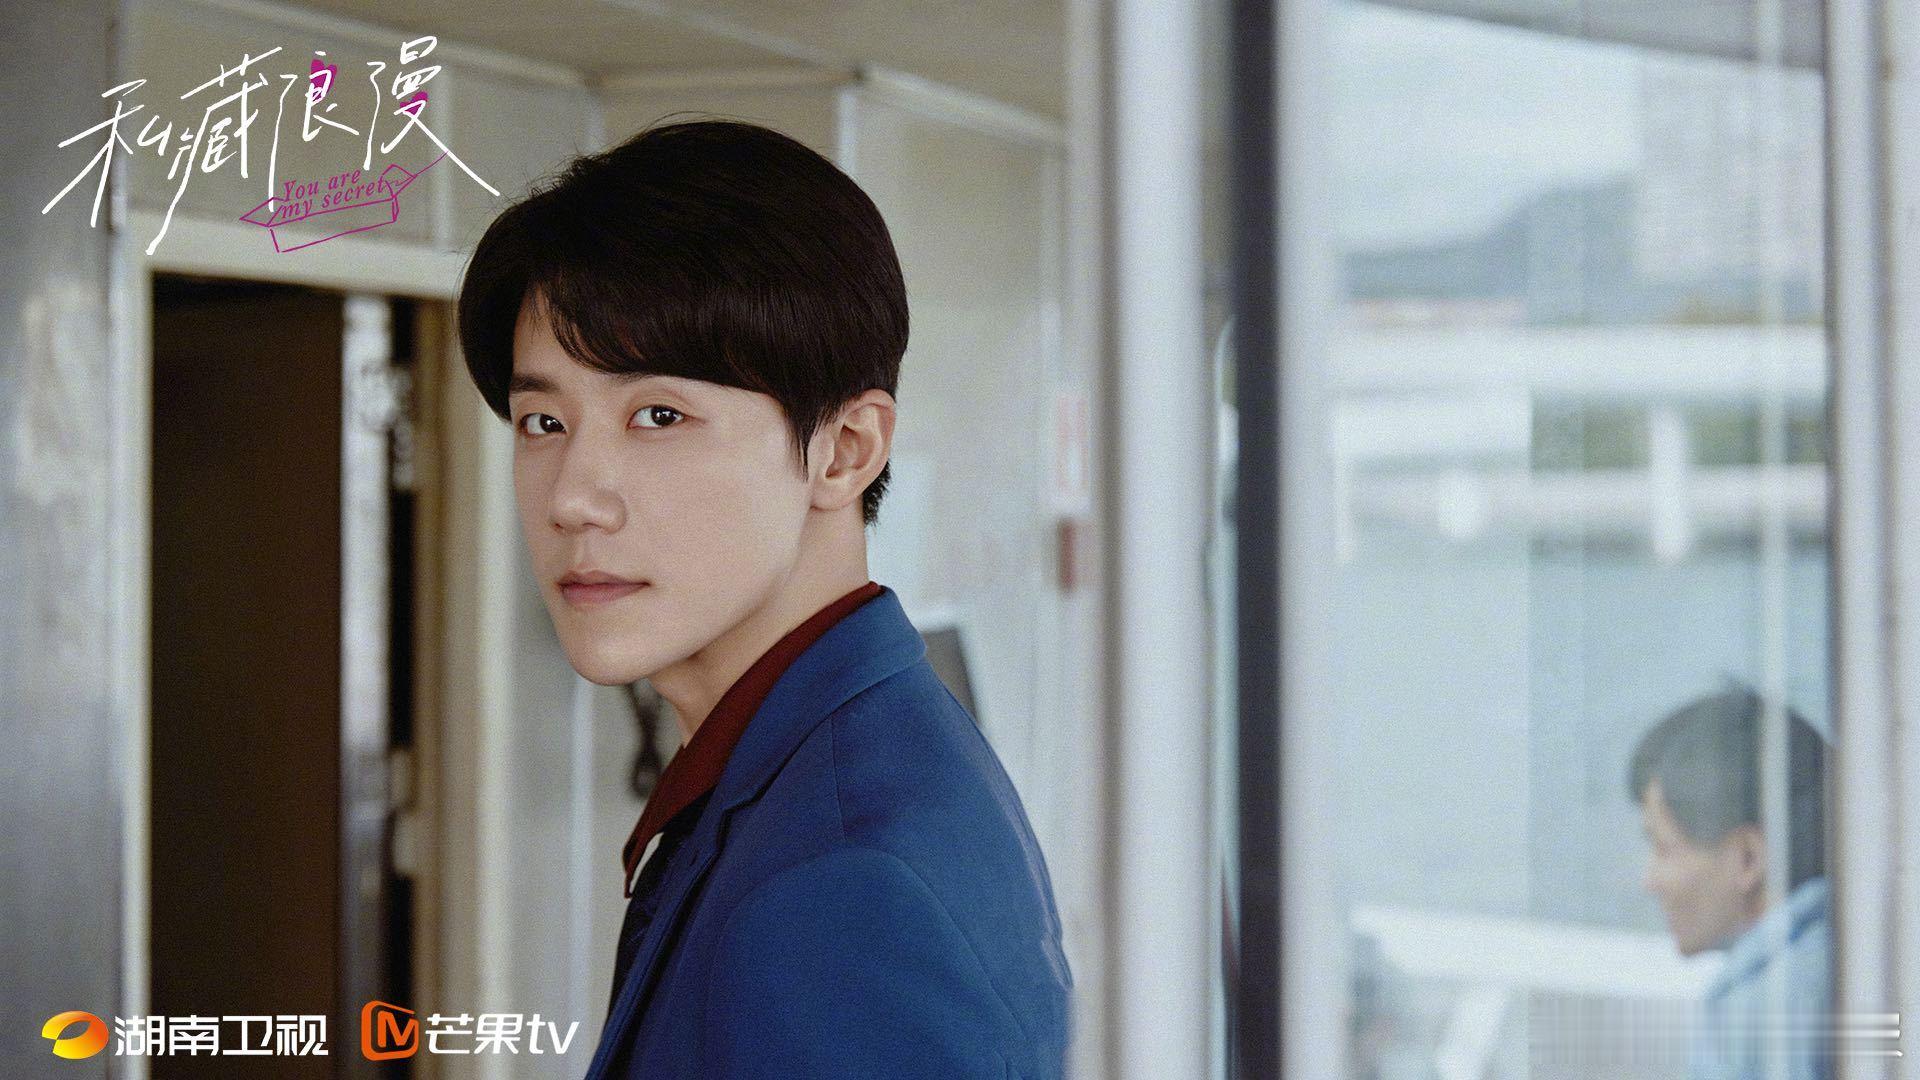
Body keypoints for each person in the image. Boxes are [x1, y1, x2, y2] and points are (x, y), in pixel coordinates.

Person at [456, 118, 1071, 1079]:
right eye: (543, 421)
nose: (572, 497)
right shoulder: (813, 769)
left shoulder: (845, 887)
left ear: (845, 451)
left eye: (659, 414)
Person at [1627, 686, 1831, 1080]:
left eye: (1664, 848)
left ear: (1748, 859)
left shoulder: (1756, 1010)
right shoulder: (1851, 959)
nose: (1649, 881)